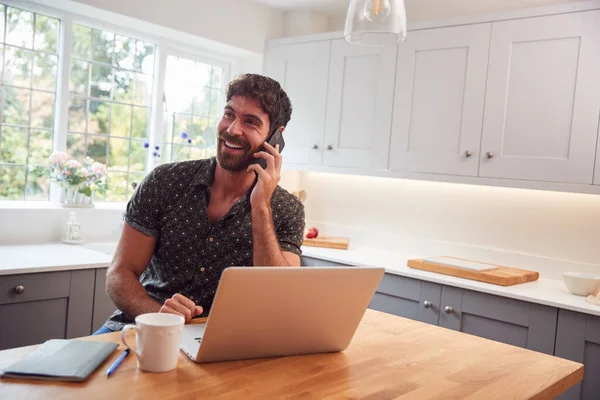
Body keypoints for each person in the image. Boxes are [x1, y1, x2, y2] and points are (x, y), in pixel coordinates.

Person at [94, 73, 305, 334]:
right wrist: (159, 317)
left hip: (225, 340)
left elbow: (279, 297)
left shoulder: (287, 209)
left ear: (275, 136)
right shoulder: (165, 182)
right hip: (141, 327)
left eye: (250, 122)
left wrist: (260, 205)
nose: (232, 129)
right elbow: (120, 274)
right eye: (229, 114)